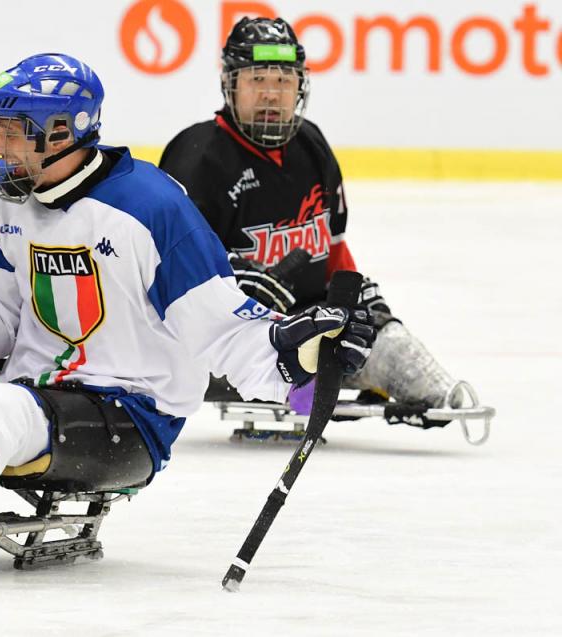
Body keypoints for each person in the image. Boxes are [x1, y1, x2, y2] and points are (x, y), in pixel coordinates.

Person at [0, 53, 375, 578]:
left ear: (61, 133)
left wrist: (298, 364)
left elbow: (222, 329)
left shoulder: (152, 209)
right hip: (33, 388)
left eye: (13, 131)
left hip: (132, 414)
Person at [159, 17, 468, 423]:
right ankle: (310, 383)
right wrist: (240, 293)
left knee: (394, 349)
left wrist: (358, 300)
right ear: (230, 84)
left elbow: (335, 249)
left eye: (283, 82)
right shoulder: (195, 158)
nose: (272, 95)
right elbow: (168, 278)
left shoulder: (312, 144)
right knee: (302, 364)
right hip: (236, 341)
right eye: (257, 80)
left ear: (300, 86)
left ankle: (436, 398)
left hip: (312, 325)